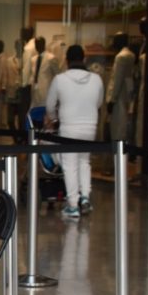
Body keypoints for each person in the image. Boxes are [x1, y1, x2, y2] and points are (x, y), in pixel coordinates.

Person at [45, 44, 104, 219]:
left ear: (67, 60)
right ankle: (85, 197)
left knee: (70, 165)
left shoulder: (60, 79)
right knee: (84, 162)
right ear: (84, 59)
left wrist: (54, 118)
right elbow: (99, 103)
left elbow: (49, 106)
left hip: (69, 128)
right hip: (90, 127)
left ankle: (73, 205)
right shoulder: (97, 79)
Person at [106, 32, 136, 145]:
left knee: (117, 128)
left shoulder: (121, 57)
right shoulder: (130, 55)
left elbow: (117, 79)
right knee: (123, 126)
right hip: (126, 93)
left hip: (118, 98)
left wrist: (111, 100)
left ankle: (118, 154)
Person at [29, 36, 59, 110]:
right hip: (35, 90)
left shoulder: (51, 58)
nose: (37, 46)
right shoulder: (33, 59)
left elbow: (57, 75)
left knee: (45, 111)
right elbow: (33, 74)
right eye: (36, 44)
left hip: (46, 90)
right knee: (35, 111)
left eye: (39, 44)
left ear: (43, 44)